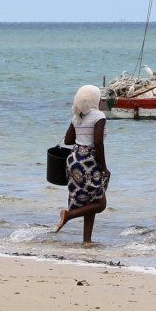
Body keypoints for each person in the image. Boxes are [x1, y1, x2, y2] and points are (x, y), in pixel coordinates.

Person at [55, 84, 110, 242]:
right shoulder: (99, 116)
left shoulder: (77, 116)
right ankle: (68, 215)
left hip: (74, 160)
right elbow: (98, 143)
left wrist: (80, 130)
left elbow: (68, 140)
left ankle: (87, 241)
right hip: (88, 161)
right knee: (100, 203)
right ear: (95, 99)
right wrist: (104, 167)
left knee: (90, 201)